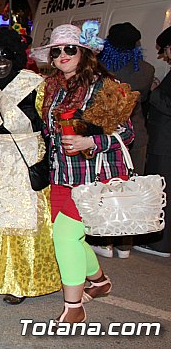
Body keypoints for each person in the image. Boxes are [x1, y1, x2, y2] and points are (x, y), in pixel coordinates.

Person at [31, 23, 136, 323]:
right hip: (62, 175)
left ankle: (74, 308)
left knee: (65, 237)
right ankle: (100, 282)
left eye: (70, 49)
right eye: (57, 51)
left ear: (84, 52)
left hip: (94, 176)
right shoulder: (52, 87)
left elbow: (126, 134)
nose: (63, 55)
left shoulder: (105, 85)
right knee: (69, 238)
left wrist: (89, 140)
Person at [0, 27, 61, 305]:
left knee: (25, 221)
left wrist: (47, 158)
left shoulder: (35, 83)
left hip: (26, 156)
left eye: (5, 54)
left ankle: (23, 280)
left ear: (16, 56)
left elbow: (51, 125)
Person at [93, 22, 155, 259]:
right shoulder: (147, 70)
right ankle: (125, 245)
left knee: (106, 189)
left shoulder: (100, 70)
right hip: (136, 137)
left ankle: (106, 242)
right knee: (131, 189)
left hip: (107, 137)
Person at [134, 26, 171, 258]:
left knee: (165, 192)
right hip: (163, 140)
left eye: (166, 49)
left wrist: (154, 91)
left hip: (165, 143)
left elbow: (168, 104)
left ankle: (162, 244)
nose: (164, 55)